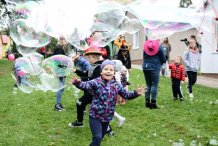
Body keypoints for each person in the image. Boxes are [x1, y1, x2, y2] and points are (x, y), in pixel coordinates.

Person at [71, 59, 144, 146]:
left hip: (107, 117)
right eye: (106, 69)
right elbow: (85, 85)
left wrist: (136, 93)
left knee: (99, 138)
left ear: (114, 73)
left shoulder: (116, 85)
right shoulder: (96, 82)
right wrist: (78, 83)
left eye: (111, 70)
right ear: (101, 71)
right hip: (95, 116)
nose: (108, 71)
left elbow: (127, 95)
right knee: (97, 137)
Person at [69, 47, 103, 127]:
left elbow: (93, 80)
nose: (88, 59)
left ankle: (80, 122)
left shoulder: (99, 67)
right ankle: (108, 129)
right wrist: (76, 71)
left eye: (89, 58)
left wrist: (80, 80)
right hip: (92, 91)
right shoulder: (94, 66)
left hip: (95, 92)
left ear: (94, 57)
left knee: (80, 103)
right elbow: (86, 74)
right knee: (97, 110)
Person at [142, 39, 166, 109]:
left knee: (148, 84)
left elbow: (144, 57)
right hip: (154, 67)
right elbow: (163, 59)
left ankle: (147, 102)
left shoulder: (146, 47)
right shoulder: (159, 47)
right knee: (154, 85)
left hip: (145, 67)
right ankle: (153, 103)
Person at [53, 36, 68, 111]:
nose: (67, 42)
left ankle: (58, 103)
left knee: (62, 88)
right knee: (60, 87)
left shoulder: (60, 47)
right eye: (66, 41)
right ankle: (57, 105)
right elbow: (57, 60)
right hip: (60, 70)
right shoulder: (58, 48)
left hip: (61, 69)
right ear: (62, 40)